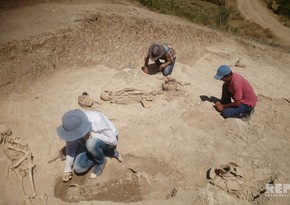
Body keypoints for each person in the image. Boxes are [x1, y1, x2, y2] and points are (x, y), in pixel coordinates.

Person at [56, 109, 122, 182]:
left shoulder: (96, 120)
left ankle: (101, 161)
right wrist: (67, 167)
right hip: (88, 141)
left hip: (108, 140)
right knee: (79, 168)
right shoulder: (73, 126)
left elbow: (113, 141)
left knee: (91, 143)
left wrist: (94, 135)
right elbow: (71, 145)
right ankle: (102, 152)